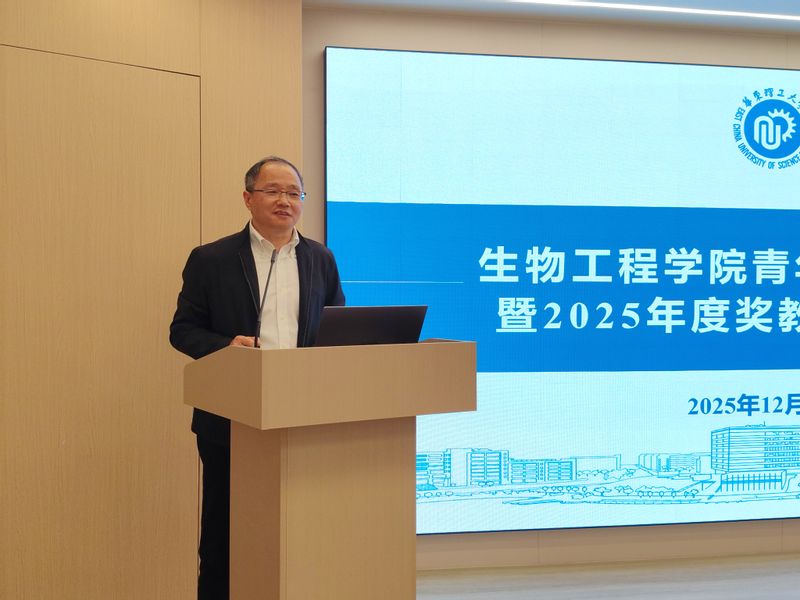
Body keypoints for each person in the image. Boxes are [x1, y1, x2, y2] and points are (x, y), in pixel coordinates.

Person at [169, 156, 345, 600]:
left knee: (300, 530)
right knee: (226, 535)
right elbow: (183, 331)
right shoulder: (212, 259)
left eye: (294, 193)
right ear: (248, 198)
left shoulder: (320, 258)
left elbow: (338, 328)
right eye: (273, 191)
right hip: (232, 420)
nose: (285, 200)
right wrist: (227, 345)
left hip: (303, 417)